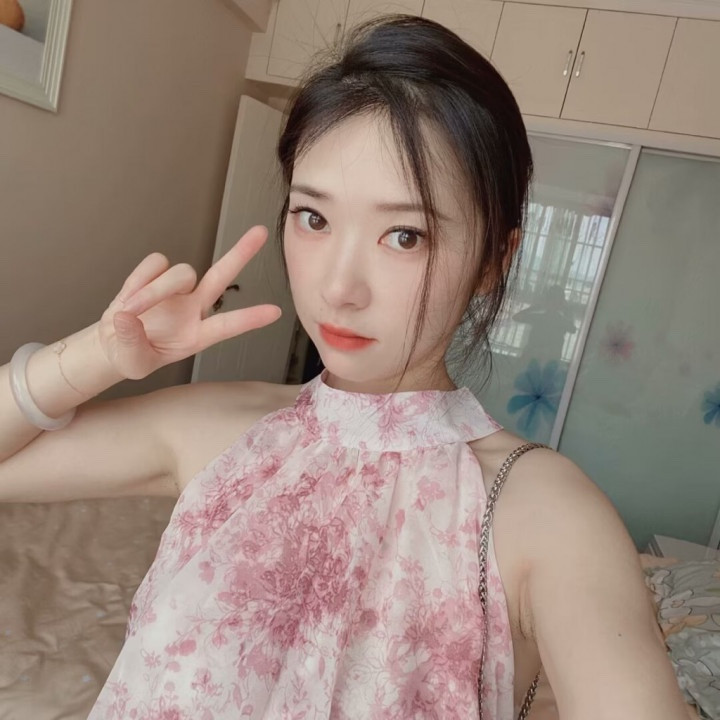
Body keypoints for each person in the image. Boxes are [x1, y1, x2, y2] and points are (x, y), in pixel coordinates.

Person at [0, 15, 687, 720]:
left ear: (494, 260)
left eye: (404, 235)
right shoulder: (219, 430)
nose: (338, 287)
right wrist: (97, 357)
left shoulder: (545, 513)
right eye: (314, 218)